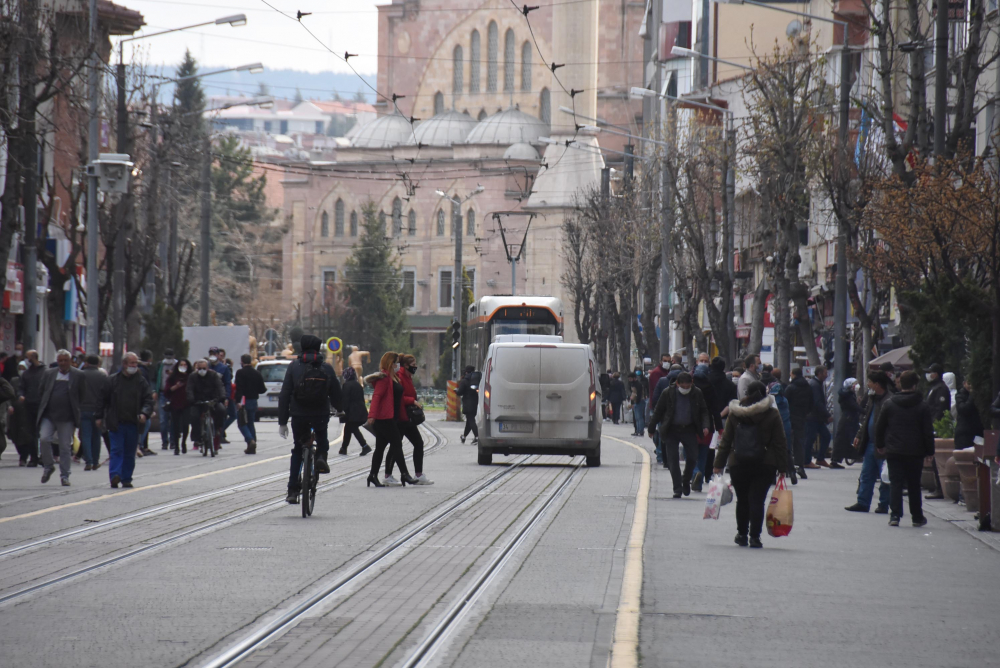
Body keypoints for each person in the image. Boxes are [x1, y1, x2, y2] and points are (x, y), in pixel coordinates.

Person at [713, 381, 788, 548]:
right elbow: (780, 442)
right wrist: (783, 467)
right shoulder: (772, 414)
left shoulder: (735, 413)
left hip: (738, 463)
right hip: (765, 464)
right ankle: (755, 537)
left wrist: (718, 463)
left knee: (743, 500)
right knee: (757, 500)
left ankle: (741, 534)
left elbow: (726, 440)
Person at [278, 335, 343, 503]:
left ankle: (292, 490)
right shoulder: (326, 368)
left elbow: (285, 394)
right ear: (318, 348)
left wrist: (283, 421)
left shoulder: (294, 367)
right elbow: (335, 392)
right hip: (320, 414)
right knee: (322, 437)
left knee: (298, 449)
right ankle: (321, 456)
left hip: (299, 415)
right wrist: (341, 410)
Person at [876, 370, 934, 527]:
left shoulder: (890, 404)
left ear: (900, 384)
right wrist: (930, 451)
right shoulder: (922, 406)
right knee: (914, 484)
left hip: (894, 449)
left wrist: (880, 445)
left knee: (895, 482)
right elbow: (927, 431)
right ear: (915, 385)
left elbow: (880, 427)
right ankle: (917, 516)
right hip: (915, 451)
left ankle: (895, 515)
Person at [648, 371, 711, 498]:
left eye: (688, 386)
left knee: (693, 456)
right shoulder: (668, 392)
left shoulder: (696, 393)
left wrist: (706, 425)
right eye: (683, 386)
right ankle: (677, 488)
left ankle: (685, 479)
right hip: (671, 430)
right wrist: (651, 427)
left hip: (689, 429)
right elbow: (658, 410)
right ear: (677, 384)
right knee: (673, 460)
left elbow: (704, 410)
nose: (685, 389)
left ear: (691, 383)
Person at [101, 352, 155, 488]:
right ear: (124, 364)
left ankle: (126, 478)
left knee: (130, 452)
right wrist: (99, 417)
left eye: (136, 363)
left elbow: (148, 400)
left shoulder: (141, 381)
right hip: (116, 422)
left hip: (133, 423)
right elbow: (103, 400)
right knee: (116, 450)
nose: (134, 366)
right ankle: (115, 475)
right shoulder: (112, 380)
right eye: (132, 363)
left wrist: (144, 413)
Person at [36, 350, 87, 485]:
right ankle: (48, 466)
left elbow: (82, 394)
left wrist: (77, 410)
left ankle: (65, 475)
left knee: (65, 446)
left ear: (70, 361)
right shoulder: (49, 373)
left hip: (67, 417)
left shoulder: (78, 375)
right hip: (49, 415)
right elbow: (42, 391)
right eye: (60, 361)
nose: (63, 363)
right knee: (44, 438)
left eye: (65, 360)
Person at [365, 352, 415, 488]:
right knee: (397, 444)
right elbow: (376, 396)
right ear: (390, 363)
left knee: (380, 448)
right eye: (396, 362)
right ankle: (405, 474)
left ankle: (372, 476)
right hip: (384, 418)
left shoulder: (393, 378)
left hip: (389, 416)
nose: (398, 365)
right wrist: (372, 415)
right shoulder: (384, 378)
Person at [845, 371, 893, 513]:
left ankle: (883, 504)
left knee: (884, 476)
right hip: (870, 442)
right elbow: (867, 419)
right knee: (866, 475)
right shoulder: (872, 398)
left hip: (883, 444)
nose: (867, 384)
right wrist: (860, 435)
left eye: (870, 382)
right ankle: (863, 502)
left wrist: (885, 443)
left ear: (877, 384)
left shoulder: (889, 400)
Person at [392, 354, 432, 484]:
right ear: (407, 365)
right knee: (396, 446)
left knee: (415, 444)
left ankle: (418, 474)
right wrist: (413, 401)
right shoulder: (401, 376)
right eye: (413, 365)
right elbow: (400, 396)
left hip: (407, 418)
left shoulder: (408, 376)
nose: (415, 367)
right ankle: (388, 475)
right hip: (402, 417)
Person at [691, 363, 723, 491]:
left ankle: (695, 472)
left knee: (690, 454)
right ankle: (699, 479)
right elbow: (716, 410)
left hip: (692, 426)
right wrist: (720, 428)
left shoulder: (691, 387)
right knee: (703, 454)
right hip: (707, 426)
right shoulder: (711, 388)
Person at [186, 359, 227, 452]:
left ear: (207, 368)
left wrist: (222, 397)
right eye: (199, 368)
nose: (202, 370)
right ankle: (197, 438)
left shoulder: (213, 375)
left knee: (221, 410)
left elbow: (220, 387)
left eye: (204, 368)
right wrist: (191, 399)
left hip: (213, 400)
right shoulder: (192, 376)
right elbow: (189, 389)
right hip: (198, 401)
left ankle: (217, 428)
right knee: (194, 416)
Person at [923, 363, 951, 500]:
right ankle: (936, 486)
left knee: (936, 460)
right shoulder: (933, 388)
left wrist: (933, 426)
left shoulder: (941, 389)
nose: (928, 374)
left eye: (930, 372)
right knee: (932, 459)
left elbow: (939, 410)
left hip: (936, 428)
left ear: (936, 374)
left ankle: (939, 488)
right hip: (929, 425)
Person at [79, 355, 109, 471]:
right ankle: (96, 461)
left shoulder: (81, 374)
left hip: (83, 408)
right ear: (98, 363)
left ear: (86, 362)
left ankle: (88, 461)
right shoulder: (102, 376)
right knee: (96, 436)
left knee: (85, 436)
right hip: (98, 410)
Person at [18, 349, 46, 467]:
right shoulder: (27, 373)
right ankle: (34, 457)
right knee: (31, 433)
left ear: (33, 357)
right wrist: (21, 395)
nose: (26, 360)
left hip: (42, 406)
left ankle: (44, 457)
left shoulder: (45, 372)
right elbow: (21, 387)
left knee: (44, 434)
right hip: (29, 405)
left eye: (27, 357)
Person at [768, 368, 796, 484]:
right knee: (787, 451)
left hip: (775, 428)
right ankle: (792, 471)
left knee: (773, 452)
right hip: (786, 427)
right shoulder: (784, 400)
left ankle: (774, 476)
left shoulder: (771, 402)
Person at [234, 353, 267, 455]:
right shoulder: (256, 373)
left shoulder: (240, 373)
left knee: (242, 423)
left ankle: (250, 440)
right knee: (251, 422)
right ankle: (252, 445)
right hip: (253, 400)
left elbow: (238, 388)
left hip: (244, 400)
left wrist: (238, 401)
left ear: (242, 362)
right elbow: (262, 389)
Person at [784, 367, 812, 480]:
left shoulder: (790, 388)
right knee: (800, 443)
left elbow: (785, 402)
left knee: (788, 443)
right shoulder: (808, 387)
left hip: (790, 418)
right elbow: (811, 403)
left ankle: (789, 467)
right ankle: (800, 465)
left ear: (793, 374)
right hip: (801, 418)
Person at [803, 366, 833, 468]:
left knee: (825, 436)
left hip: (817, 417)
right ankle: (806, 461)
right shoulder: (815, 385)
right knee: (810, 438)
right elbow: (818, 402)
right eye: (825, 373)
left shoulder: (816, 383)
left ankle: (820, 459)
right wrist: (827, 415)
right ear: (819, 373)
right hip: (813, 417)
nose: (826, 375)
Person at [339, 367, 370, 456]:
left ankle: (365, 446)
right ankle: (343, 448)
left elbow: (345, 400)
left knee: (353, 428)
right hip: (361, 411)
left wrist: (342, 410)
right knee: (348, 428)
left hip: (352, 412)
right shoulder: (358, 385)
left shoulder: (347, 385)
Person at [831, 378, 861, 467]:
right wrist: (864, 411)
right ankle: (836, 460)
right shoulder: (847, 395)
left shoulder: (849, 394)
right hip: (848, 419)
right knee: (842, 439)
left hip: (849, 418)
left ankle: (840, 458)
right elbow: (853, 406)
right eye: (855, 384)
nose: (856, 386)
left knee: (845, 439)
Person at [166, 359, 192, 454]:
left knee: (185, 425)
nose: (183, 366)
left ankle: (183, 442)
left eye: (185, 365)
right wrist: (176, 386)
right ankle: (176, 446)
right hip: (175, 404)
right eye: (181, 364)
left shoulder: (190, 377)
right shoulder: (172, 378)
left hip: (187, 404)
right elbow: (167, 391)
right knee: (175, 426)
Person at [208, 347, 234, 444]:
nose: (213, 356)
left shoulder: (223, 368)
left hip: (219, 396)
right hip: (206, 396)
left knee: (221, 413)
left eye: (215, 354)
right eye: (211, 354)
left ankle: (218, 435)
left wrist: (226, 397)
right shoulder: (206, 366)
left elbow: (227, 383)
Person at [154, 348, 177, 450]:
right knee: (163, 420)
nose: (168, 359)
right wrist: (155, 390)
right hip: (163, 393)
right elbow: (155, 378)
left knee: (173, 419)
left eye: (170, 357)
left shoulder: (177, 365)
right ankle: (164, 441)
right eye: (166, 357)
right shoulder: (160, 365)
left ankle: (173, 441)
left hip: (174, 394)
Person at [136, 350, 157, 456]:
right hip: (140, 401)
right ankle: (139, 445)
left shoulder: (142, 369)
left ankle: (141, 445)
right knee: (145, 423)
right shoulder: (142, 370)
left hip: (140, 400)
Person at [954, 379, 983, 450]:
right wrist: (971, 396)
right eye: (969, 383)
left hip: (977, 431)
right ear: (964, 383)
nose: (970, 386)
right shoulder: (960, 395)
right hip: (964, 432)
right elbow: (963, 409)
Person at [457, 365, 480, 444]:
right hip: (475, 403)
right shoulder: (476, 381)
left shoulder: (464, 381)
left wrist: (456, 391)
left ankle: (477, 437)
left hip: (467, 403)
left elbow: (460, 392)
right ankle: (464, 436)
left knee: (471, 420)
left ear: (466, 372)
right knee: (469, 421)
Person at [628, 367, 648, 436]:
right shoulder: (632, 384)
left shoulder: (638, 384)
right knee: (637, 417)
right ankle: (638, 430)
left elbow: (639, 394)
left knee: (639, 417)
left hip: (639, 401)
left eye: (630, 378)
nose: (629, 380)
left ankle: (640, 431)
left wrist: (636, 402)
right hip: (636, 401)